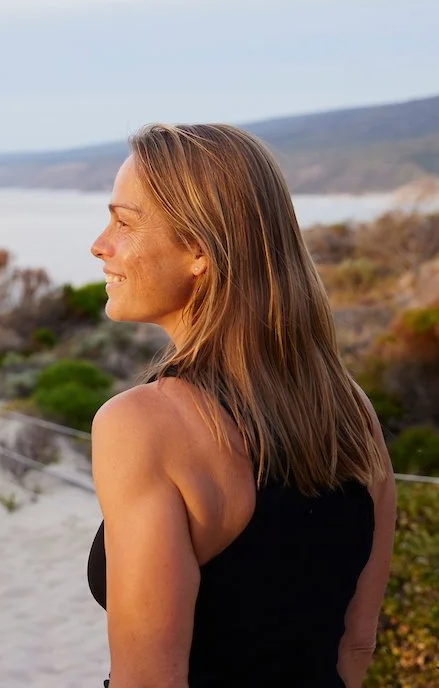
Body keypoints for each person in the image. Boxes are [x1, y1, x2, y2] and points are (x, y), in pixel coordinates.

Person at [85, 123, 397, 688]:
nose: (100, 244)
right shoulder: (351, 413)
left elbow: (150, 681)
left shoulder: (143, 425)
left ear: (200, 250)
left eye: (124, 222)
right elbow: (355, 643)